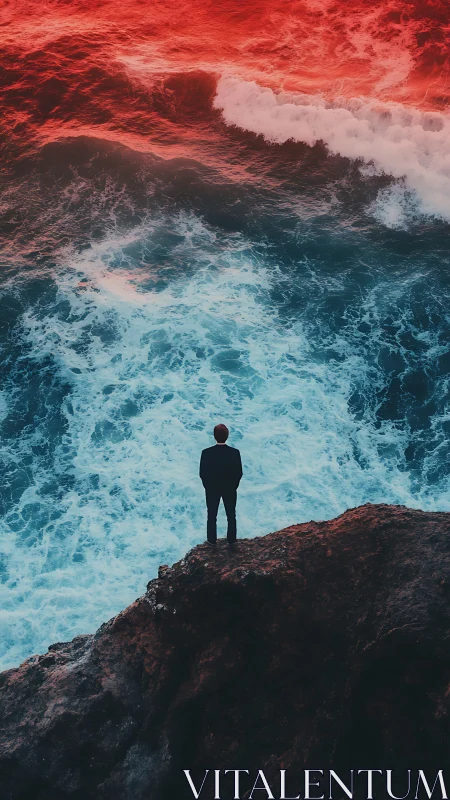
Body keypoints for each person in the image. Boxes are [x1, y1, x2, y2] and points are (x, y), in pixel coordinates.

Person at [199, 424, 243, 545]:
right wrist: (233, 487)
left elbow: (202, 473)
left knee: (212, 515)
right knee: (231, 515)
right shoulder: (235, 453)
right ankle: (232, 540)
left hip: (212, 489)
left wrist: (208, 487)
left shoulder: (206, 453)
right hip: (229, 488)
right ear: (227, 436)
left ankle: (211, 540)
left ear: (214, 436)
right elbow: (238, 473)